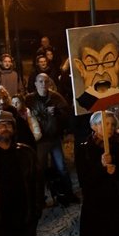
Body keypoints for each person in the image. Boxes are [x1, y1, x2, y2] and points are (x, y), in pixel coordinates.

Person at [26, 74, 77, 205]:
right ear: (36, 84)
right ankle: (39, 199)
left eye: (46, 81)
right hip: (40, 141)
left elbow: (67, 114)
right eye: (40, 81)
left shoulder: (56, 97)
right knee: (40, 170)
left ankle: (68, 193)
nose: (43, 84)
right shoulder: (30, 100)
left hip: (54, 138)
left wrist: (58, 114)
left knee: (61, 167)